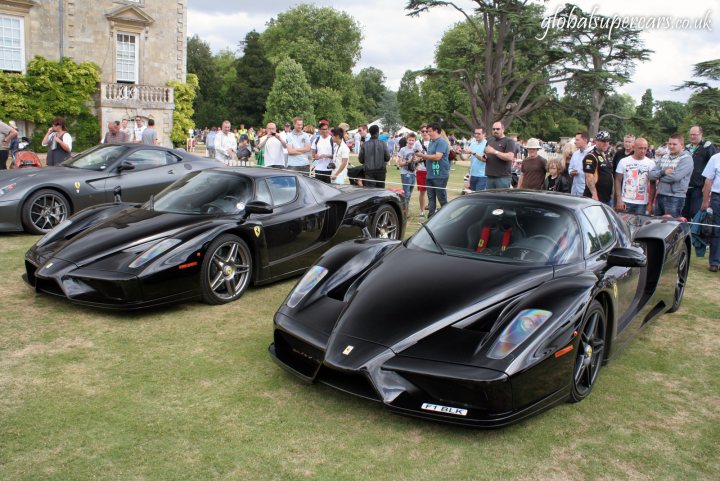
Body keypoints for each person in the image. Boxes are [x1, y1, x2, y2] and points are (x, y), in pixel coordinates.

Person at [649, 134, 693, 217]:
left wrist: (659, 178)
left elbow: (675, 177)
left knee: (670, 226)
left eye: (674, 144)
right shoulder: (664, 157)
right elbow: (651, 175)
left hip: (675, 198)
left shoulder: (686, 159)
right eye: (670, 144)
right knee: (656, 225)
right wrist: (663, 172)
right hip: (660, 195)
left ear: (682, 145)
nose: (671, 146)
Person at [415, 123, 449, 217]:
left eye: (430, 131)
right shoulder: (431, 142)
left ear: (436, 131)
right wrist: (419, 158)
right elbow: (429, 157)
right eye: (427, 131)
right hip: (430, 175)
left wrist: (422, 155)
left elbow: (437, 157)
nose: (427, 133)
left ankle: (447, 217)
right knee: (431, 199)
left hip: (440, 175)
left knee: (441, 199)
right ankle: (430, 218)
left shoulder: (441, 142)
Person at [614, 138, 656, 215]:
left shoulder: (651, 163)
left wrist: (650, 203)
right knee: (623, 224)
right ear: (633, 148)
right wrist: (619, 199)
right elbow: (617, 181)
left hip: (642, 203)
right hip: (626, 201)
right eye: (640, 148)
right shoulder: (623, 161)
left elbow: (653, 184)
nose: (643, 151)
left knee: (640, 225)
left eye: (645, 148)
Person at [683, 125, 717, 220]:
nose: (692, 137)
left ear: (701, 134)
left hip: (699, 187)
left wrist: (708, 187)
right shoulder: (686, 148)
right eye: (691, 135)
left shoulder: (708, 147)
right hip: (685, 186)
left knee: (695, 212)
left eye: (695, 134)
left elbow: (714, 166)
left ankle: (695, 233)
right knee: (684, 213)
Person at [701, 152, 720, 272]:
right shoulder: (715, 158)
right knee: (717, 229)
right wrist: (705, 200)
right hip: (717, 197)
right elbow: (708, 181)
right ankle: (715, 261)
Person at [583, 131, 613, 204]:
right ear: (596, 141)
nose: (606, 143)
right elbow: (589, 177)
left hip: (607, 197)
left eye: (608, 141)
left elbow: (610, 174)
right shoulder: (591, 155)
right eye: (603, 141)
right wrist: (594, 194)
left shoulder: (607, 155)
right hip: (595, 197)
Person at [484, 121, 516, 189]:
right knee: (489, 199)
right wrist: (484, 157)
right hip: (490, 176)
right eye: (493, 129)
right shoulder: (489, 141)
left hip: (502, 177)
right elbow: (486, 155)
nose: (495, 130)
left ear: (503, 129)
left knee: (501, 198)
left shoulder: (509, 141)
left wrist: (494, 152)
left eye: (498, 129)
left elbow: (510, 157)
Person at [397, 132, 418, 210]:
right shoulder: (403, 149)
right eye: (410, 140)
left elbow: (417, 163)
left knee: (409, 193)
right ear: (407, 140)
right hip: (405, 174)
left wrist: (416, 161)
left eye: (413, 140)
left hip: (413, 174)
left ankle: (405, 209)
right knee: (407, 194)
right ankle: (404, 211)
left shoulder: (415, 150)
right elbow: (400, 164)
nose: (411, 142)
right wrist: (407, 162)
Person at [569, 131, 593, 196]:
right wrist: (571, 172)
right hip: (574, 190)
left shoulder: (592, 154)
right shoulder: (575, 154)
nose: (575, 142)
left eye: (577, 140)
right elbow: (570, 168)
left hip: (586, 191)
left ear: (585, 140)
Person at [414, 125, 431, 216]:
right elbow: (415, 155)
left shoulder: (433, 141)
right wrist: (416, 159)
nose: (424, 133)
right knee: (422, 191)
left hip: (431, 169)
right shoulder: (417, 143)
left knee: (432, 191)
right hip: (421, 169)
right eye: (422, 131)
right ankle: (422, 211)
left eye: (426, 131)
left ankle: (432, 209)